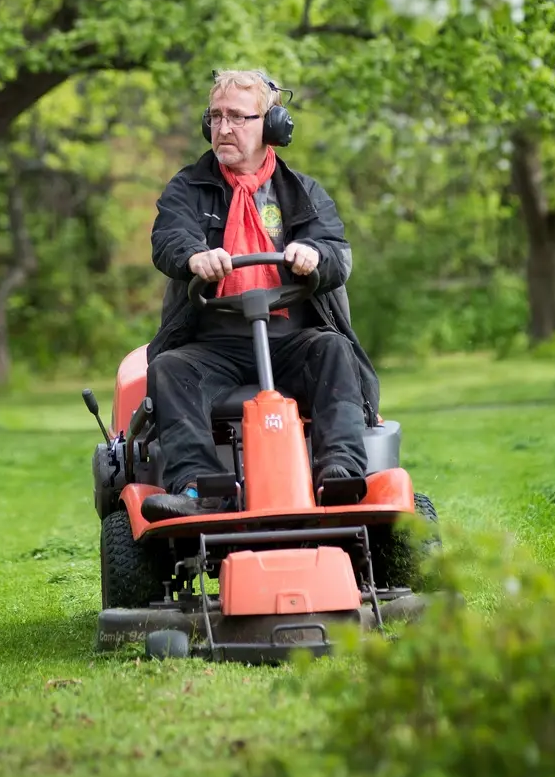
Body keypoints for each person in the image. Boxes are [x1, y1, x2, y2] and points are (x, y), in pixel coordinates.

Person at [140, 68, 380, 522]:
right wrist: (195, 257)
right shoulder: (187, 188)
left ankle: (339, 474)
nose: (223, 128)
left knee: (333, 350)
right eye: (215, 117)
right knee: (170, 368)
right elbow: (168, 238)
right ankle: (198, 488)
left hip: (291, 337)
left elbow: (336, 253)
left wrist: (312, 254)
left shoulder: (302, 192)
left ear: (271, 126)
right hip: (214, 342)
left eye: (237, 117)